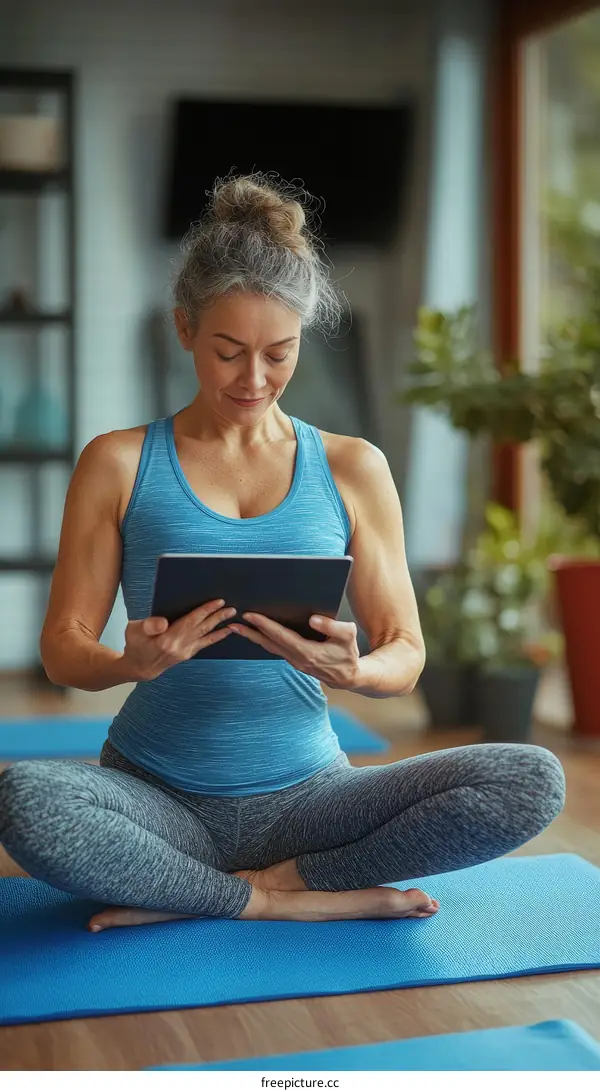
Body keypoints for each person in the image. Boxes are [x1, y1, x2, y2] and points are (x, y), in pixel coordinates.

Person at [0, 174, 565, 932]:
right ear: (184, 328)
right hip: (158, 795)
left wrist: (357, 670)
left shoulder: (352, 466)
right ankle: (266, 898)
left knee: (529, 778)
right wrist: (129, 662)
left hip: (309, 797)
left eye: (279, 352)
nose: (254, 379)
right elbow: (64, 650)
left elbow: (406, 652)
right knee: (25, 800)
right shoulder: (119, 462)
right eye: (229, 351)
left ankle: (265, 881)